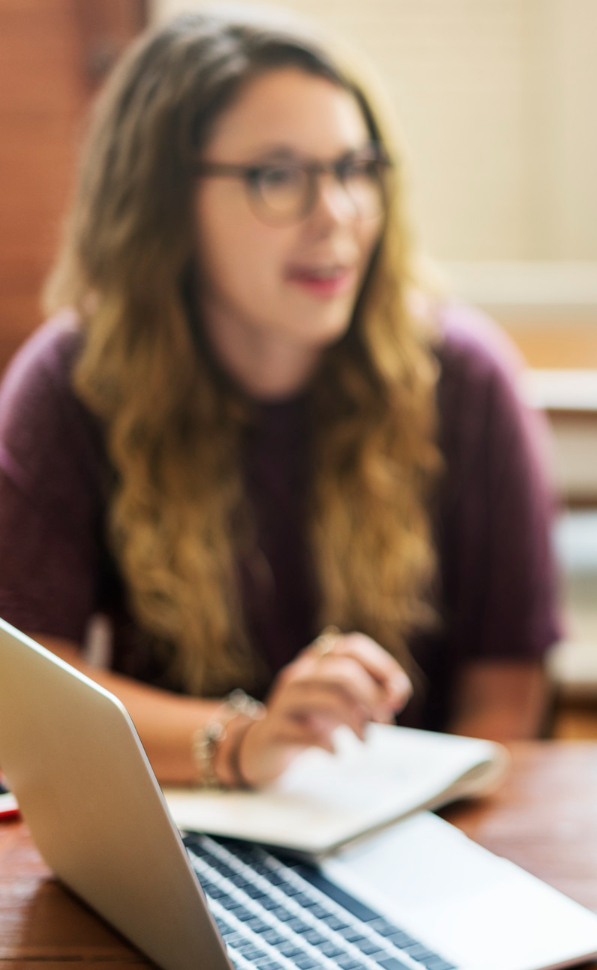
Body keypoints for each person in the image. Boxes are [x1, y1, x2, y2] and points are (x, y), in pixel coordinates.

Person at [0, 9, 560, 790]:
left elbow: (506, 692)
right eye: (277, 175)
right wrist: (243, 742)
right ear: (163, 200)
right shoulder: (70, 383)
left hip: (414, 837)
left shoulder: (466, 381)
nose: (336, 214)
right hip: (186, 830)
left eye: (356, 168)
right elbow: (23, 679)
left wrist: (415, 835)